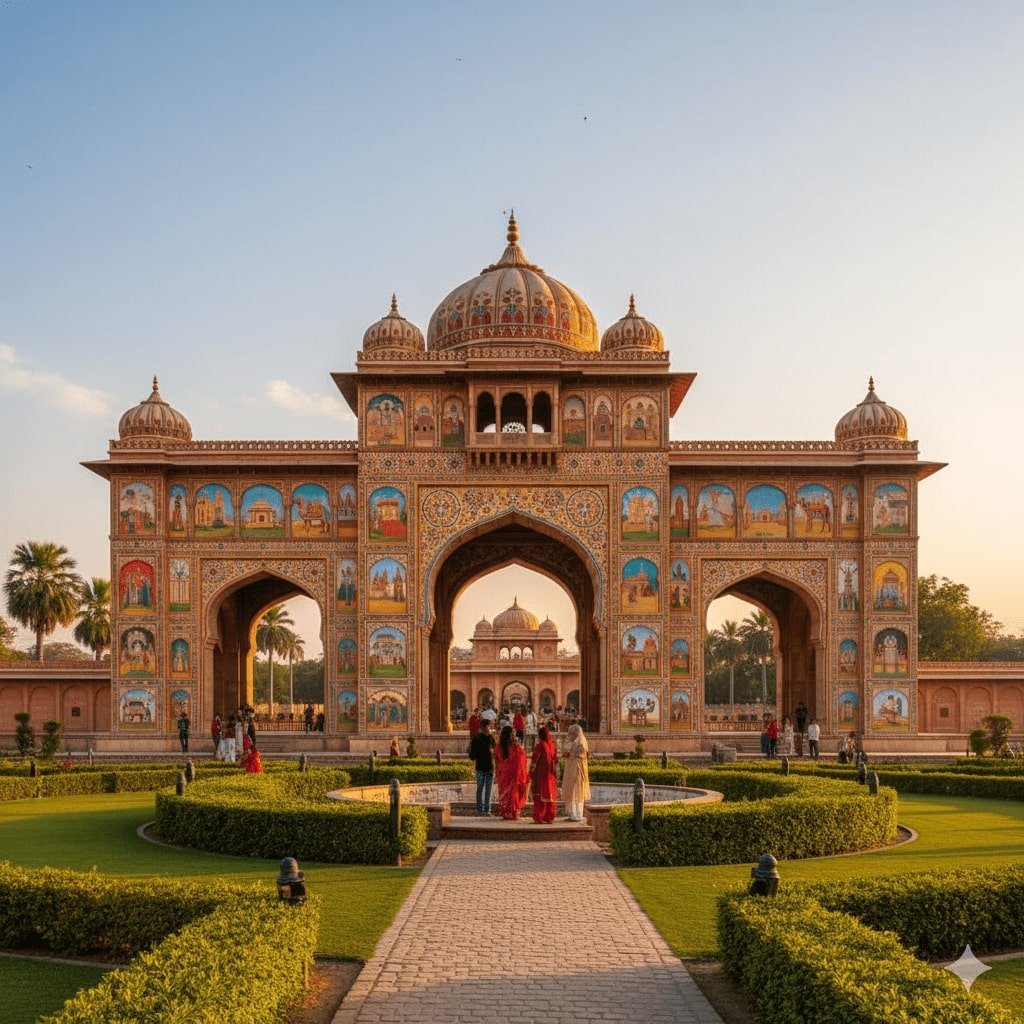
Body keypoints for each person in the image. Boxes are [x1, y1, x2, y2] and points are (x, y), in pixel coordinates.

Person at [495, 725, 529, 820]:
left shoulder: (499, 746)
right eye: (513, 733)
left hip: (503, 774)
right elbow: (522, 757)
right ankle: (514, 812)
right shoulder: (515, 745)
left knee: (504, 793)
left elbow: (496, 759)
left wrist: (497, 772)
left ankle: (506, 813)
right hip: (514, 773)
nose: (514, 734)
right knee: (514, 793)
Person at [561, 722, 591, 822]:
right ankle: (572, 813)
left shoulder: (581, 742)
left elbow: (581, 754)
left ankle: (577, 814)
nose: (571, 736)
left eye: (572, 734)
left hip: (578, 770)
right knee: (572, 790)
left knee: (577, 790)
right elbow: (567, 753)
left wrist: (569, 754)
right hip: (571, 768)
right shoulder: (574, 741)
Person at [530, 725, 558, 823]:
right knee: (549, 795)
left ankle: (539, 816)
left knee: (540, 795)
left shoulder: (540, 745)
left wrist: (531, 773)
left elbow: (535, 760)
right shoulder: (552, 745)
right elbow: (556, 759)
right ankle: (548, 817)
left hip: (541, 774)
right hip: (550, 775)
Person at [468, 718, 496, 816]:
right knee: (481, 788)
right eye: (489, 726)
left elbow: (496, 752)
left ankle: (486, 809)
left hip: (489, 767)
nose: (490, 728)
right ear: (483, 727)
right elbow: (472, 756)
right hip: (481, 767)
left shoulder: (490, 738)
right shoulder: (479, 739)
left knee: (487, 789)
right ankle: (481, 809)